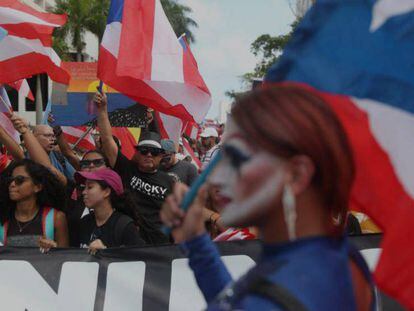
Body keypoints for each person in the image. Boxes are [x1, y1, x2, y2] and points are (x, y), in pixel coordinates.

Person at [161, 85, 375, 310]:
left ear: (296, 174)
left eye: (239, 159)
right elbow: (236, 301)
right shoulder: (327, 259)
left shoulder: (298, 283)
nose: (217, 179)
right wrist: (196, 242)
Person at [93, 91, 174, 231]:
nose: (148, 154)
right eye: (144, 151)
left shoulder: (169, 181)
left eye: (154, 152)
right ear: (137, 153)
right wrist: (102, 109)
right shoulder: (126, 169)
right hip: (128, 241)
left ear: (160, 156)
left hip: (158, 245)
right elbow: (107, 139)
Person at [76, 168, 167, 253]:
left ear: (106, 192)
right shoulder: (85, 222)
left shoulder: (125, 226)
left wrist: (106, 252)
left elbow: (140, 262)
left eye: (90, 187)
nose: (84, 192)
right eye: (84, 187)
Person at [0, 159, 69, 249]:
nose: (12, 184)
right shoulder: (2, 218)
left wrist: (54, 249)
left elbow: (65, 257)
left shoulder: (56, 218)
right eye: (10, 180)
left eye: (19, 180)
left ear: (37, 187)